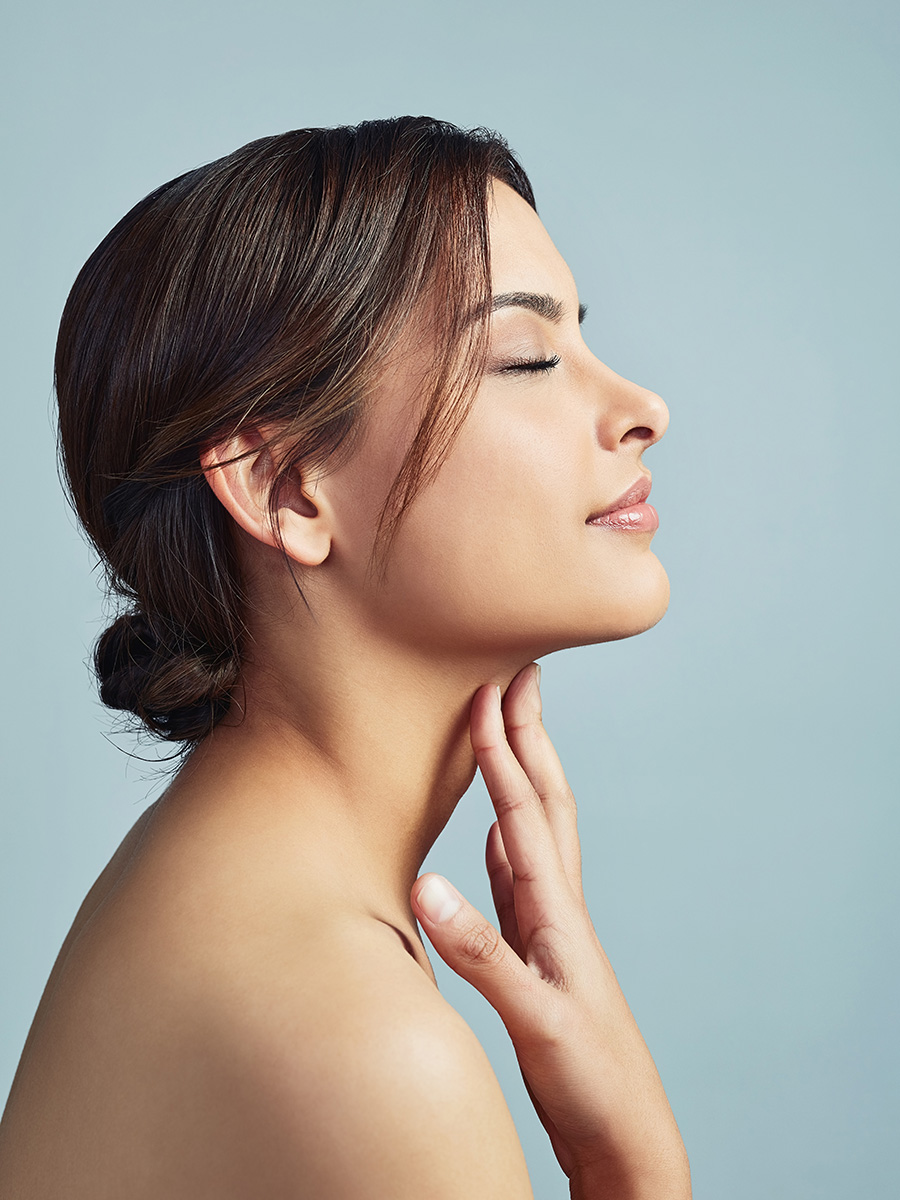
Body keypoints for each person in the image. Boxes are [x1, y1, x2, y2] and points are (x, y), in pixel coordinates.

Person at [0, 117, 690, 1198]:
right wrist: (627, 1156)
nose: (644, 409)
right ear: (287, 488)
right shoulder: (359, 1041)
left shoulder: (231, 890)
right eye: (528, 357)